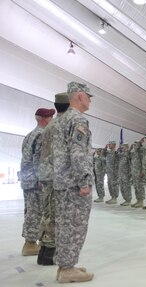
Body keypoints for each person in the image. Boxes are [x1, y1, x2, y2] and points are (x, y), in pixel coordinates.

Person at [52, 81, 94, 283]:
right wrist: (84, 182)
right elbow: (78, 154)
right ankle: (68, 270)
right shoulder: (78, 120)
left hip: (62, 183)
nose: (90, 99)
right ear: (79, 96)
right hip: (74, 184)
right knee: (75, 226)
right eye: (88, 95)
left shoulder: (60, 120)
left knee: (64, 225)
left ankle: (65, 266)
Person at [38, 93, 69, 265]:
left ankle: (44, 251)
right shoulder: (61, 125)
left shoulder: (50, 125)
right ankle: (49, 253)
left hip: (47, 175)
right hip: (56, 177)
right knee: (54, 215)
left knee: (48, 213)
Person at [21, 107, 55, 256]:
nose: (52, 121)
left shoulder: (29, 135)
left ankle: (30, 242)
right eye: (50, 118)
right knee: (36, 212)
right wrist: (41, 178)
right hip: (36, 181)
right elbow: (39, 160)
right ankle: (29, 244)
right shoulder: (42, 135)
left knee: (30, 210)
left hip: (27, 179)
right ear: (43, 120)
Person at [130, 141, 144, 208]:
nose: (134, 146)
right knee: (136, 187)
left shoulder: (141, 152)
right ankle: (138, 200)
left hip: (139, 172)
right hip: (134, 172)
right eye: (134, 145)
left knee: (140, 187)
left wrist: (142, 171)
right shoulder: (134, 153)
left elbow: (143, 162)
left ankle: (141, 201)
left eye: (135, 144)